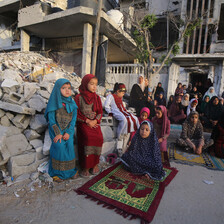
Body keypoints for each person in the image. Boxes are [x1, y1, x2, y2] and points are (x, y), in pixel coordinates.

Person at [44, 78, 78, 182]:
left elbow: (73, 121)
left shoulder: (73, 105)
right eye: (64, 88)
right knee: (59, 146)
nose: (67, 90)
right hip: (56, 131)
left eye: (69, 88)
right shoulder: (53, 104)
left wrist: (68, 132)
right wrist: (58, 134)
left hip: (68, 132)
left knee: (69, 146)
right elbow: (52, 121)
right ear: (57, 89)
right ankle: (57, 173)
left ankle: (70, 171)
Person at [75, 74, 103, 177]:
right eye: (91, 84)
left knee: (99, 137)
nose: (94, 86)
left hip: (94, 123)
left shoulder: (97, 97)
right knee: (87, 138)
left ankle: (95, 164)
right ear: (85, 84)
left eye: (95, 84)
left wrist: (95, 121)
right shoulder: (79, 97)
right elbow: (76, 113)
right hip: (83, 123)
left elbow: (100, 112)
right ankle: (85, 167)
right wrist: (87, 120)